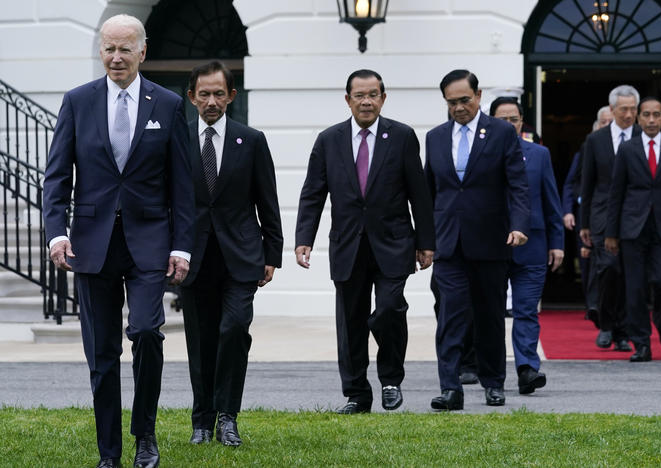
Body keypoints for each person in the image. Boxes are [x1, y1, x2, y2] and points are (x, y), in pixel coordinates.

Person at [42, 14, 193, 468]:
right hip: (91, 243)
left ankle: (144, 433)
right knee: (102, 354)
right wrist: (56, 232)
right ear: (100, 51)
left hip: (150, 241)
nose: (116, 57)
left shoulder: (166, 104)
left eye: (126, 48)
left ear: (142, 52)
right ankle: (109, 452)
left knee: (147, 332)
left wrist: (181, 245)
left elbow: (182, 185)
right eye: (109, 48)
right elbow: (56, 177)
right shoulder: (78, 102)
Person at [294, 69, 435, 414]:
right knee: (351, 321)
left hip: (394, 242)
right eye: (359, 95)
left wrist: (426, 241)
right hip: (348, 245)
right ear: (348, 100)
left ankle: (390, 379)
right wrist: (304, 239)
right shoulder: (329, 140)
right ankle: (357, 394)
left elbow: (420, 193)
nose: (367, 101)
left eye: (373, 94)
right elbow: (313, 193)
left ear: (383, 99)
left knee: (389, 309)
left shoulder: (401, 136)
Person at [180, 61, 283, 446]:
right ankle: (202, 420)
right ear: (191, 97)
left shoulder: (251, 140)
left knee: (234, 329)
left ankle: (227, 417)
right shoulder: (179, 140)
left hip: (241, 257)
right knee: (201, 340)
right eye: (204, 94)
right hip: (193, 257)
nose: (211, 101)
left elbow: (267, 201)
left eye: (218, 93)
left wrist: (272, 253)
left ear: (231, 96)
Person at [425, 70, 530, 409]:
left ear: (479, 95)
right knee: (450, 316)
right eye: (452, 102)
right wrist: (424, 240)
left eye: (464, 100)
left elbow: (517, 183)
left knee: (489, 316)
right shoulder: (435, 137)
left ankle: (493, 383)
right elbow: (430, 192)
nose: (459, 107)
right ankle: (450, 387)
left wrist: (519, 224)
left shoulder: (500, 132)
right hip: (448, 244)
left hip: (490, 241)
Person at [605, 97, 661, 362]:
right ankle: (641, 343)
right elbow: (616, 193)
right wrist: (611, 232)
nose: (651, 120)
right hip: (632, 228)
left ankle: (660, 319)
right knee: (635, 289)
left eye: (656, 115)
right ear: (639, 119)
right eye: (646, 115)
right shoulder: (628, 149)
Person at [490, 97, 564, 394]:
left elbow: (551, 201)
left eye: (514, 119)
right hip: (491, 245)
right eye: (502, 119)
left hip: (532, 244)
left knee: (526, 310)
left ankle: (527, 369)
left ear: (522, 122)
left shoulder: (540, 154)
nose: (509, 125)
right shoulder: (480, 156)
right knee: (490, 312)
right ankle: (488, 370)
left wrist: (557, 243)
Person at [580, 85, 641, 352]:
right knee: (608, 271)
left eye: (632, 109)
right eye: (623, 109)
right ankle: (606, 325)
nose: (628, 114)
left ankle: (624, 333)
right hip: (603, 217)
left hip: (636, 217)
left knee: (630, 275)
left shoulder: (643, 136)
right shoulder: (595, 140)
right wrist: (584, 223)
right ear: (612, 109)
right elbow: (587, 184)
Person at [562, 106, 613, 323]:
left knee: (608, 263)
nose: (608, 127)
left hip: (617, 215)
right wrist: (568, 210)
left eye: (612, 122)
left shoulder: (628, 145)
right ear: (596, 126)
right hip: (589, 214)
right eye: (604, 123)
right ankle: (592, 305)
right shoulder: (588, 146)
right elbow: (572, 182)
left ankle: (603, 306)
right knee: (587, 262)